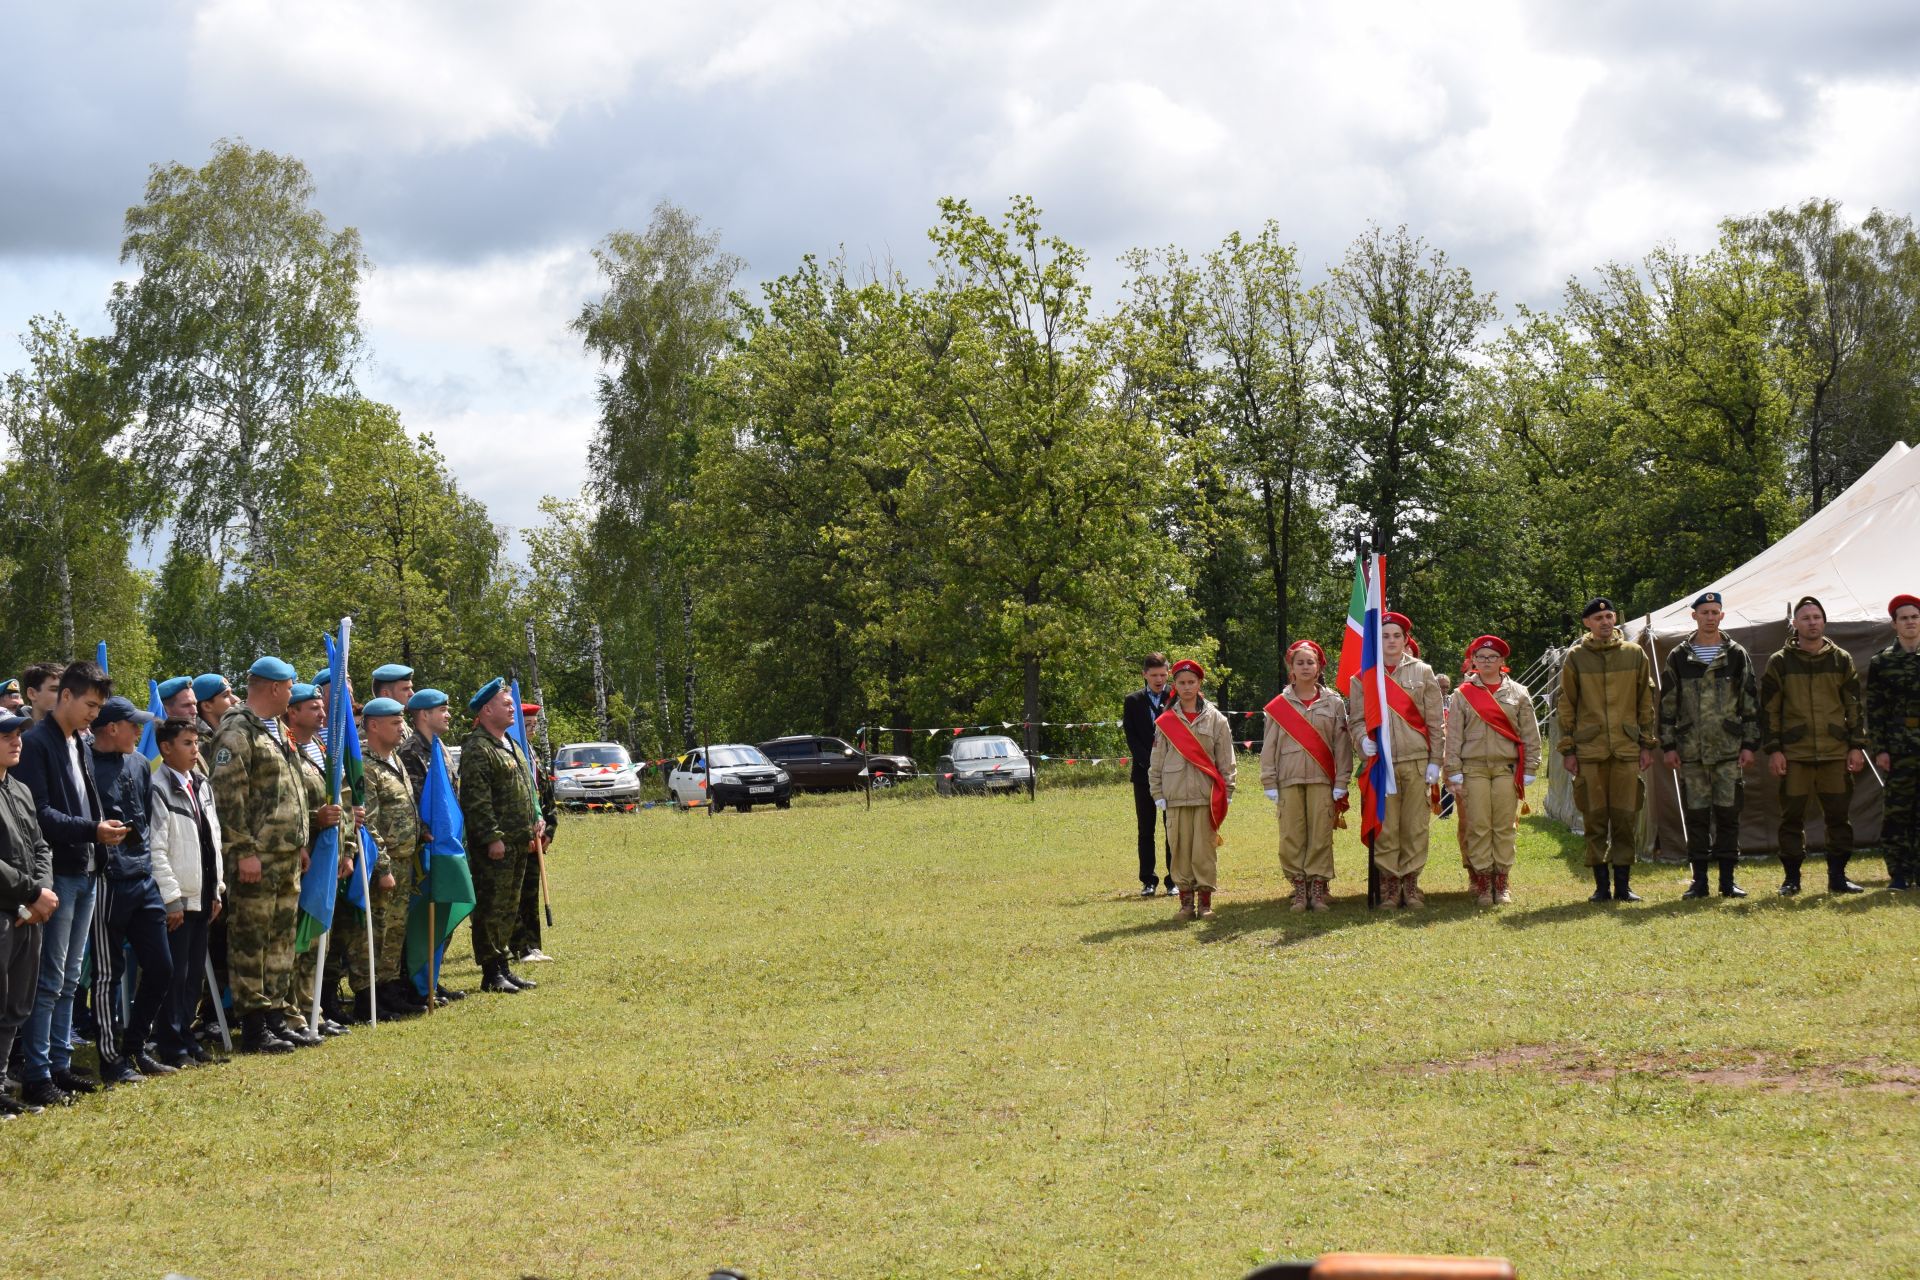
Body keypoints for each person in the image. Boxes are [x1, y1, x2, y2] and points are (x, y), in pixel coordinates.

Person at [14, 661, 126, 1106]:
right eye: (90, 705)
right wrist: (92, 830)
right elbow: (39, 814)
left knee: (69, 979)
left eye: (99, 707)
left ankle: (59, 1062)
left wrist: (100, 838)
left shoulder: (77, 742)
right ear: (65, 696)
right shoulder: (37, 744)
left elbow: (87, 801)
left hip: (86, 869)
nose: (94, 716)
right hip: (57, 872)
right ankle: (37, 1072)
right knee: (50, 977)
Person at [209, 656, 309, 1054]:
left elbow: (289, 789)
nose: (291, 693)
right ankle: (253, 1024)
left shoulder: (276, 730)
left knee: (280, 939)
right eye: (289, 687)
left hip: (284, 853)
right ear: (273, 688)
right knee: (251, 939)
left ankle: (274, 1016)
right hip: (257, 857)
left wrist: (300, 841)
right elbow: (227, 796)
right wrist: (243, 850)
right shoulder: (237, 730)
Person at [88, 695, 177, 1082]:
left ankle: (136, 1047)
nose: (141, 732)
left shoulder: (139, 764)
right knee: (108, 974)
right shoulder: (84, 766)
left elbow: (143, 818)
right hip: (108, 882)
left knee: (161, 967)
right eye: (134, 725)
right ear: (112, 728)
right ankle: (112, 1061)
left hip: (143, 878)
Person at [1762, 597, 1868, 894]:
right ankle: (1792, 879)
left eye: (1817, 617)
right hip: (1795, 753)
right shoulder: (1780, 662)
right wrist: (1774, 749)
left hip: (1835, 751)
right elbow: (1769, 709)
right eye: (1806, 617)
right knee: (1791, 818)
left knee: (1838, 817)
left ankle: (1838, 877)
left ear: (1824, 621)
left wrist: (1856, 745)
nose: (1812, 622)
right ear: (1795, 624)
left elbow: (1854, 705)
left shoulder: (1840, 659)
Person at [1658, 592, 1760, 899]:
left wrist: (1750, 744)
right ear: (1694, 617)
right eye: (1705, 612)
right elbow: (1667, 705)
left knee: (1729, 816)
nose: (1710, 617)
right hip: (1691, 752)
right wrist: (1668, 746)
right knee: (1697, 817)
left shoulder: (1736, 654)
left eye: (1715, 612)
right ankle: (1699, 881)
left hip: (1729, 751)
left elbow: (1750, 702)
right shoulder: (1679, 656)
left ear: (1722, 616)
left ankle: (1727, 881)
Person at [1557, 597, 1657, 903]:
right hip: (1590, 749)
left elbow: (1645, 701)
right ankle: (1601, 886)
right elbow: (1566, 705)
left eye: (1609, 616)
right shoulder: (1576, 657)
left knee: (1626, 817)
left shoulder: (1634, 654)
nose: (1605, 622)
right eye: (1598, 618)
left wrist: (1646, 743)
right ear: (1587, 623)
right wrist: (1568, 749)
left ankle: (1624, 886)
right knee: (1594, 818)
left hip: (1626, 748)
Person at [1346, 611, 1445, 908]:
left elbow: (1435, 720)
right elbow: (1356, 720)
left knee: (1415, 825)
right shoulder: (1363, 675)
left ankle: (1411, 884)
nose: (1391, 641)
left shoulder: (1423, 672)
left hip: (1416, 759)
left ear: (1405, 640)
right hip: (1382, 763)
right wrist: (1363, 740)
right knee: (1386, 826)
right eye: (1385, 636)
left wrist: (1435, 762)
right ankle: (1390, 885)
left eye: (1396, 636)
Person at [147, 718, 224, 1066]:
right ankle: (170, 1043)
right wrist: (170, 897)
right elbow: (157, 849)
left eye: (196, 743)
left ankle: (186, 1037)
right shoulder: (158, 786)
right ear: (166, 748)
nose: (196, 750)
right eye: (187, 743)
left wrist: (217, 889)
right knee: (175, 975)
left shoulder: (201, 784)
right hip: (179, 897)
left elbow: (213, 840)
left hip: (203, 892)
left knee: (193, 974)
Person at [460, 679, 544, 992]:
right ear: (486, 710)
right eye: (505, 703)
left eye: (510, 702)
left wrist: (536, 818)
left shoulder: (511, 743)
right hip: (496, 845)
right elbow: (476, 800)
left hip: (519, 840)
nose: (512, 707)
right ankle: (490, 971)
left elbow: (527, 787)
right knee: (491, 907)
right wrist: (491, 837)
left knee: (510, 906)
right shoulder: (478, 748)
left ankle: (504, 966)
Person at [1445, 636, 1542, 906]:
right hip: (1472, 768)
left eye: (1492, 657)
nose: (1487, 662)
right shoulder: (1462, 694)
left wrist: (1531, 766)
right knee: (1477, 825)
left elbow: (1530, 734)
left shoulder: (1519, 693)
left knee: (1504, 826)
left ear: (1502, 661)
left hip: (1505, 769)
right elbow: (1453, 736)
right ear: (1473, 661)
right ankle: (1483, 881)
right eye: (1481, 657)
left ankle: (1502, 881)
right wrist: (1452, 770)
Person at [1259, 640, 1352, 913]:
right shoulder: (1279, 705)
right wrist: (1269, 781)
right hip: (1288, 778)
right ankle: (1299, 887)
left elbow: (1342, 745)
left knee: (1321, 834)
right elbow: (1270, 745)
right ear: (1291, 667)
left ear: (1319, 666)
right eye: (1300, 662)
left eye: (1310, 662)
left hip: (1323, 779)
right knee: (1291, 835)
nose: (1305, 667)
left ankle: (1318, 889)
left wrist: (1342, 781)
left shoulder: (1333, 702)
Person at [0, 707, 57, 1117]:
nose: (16, 740)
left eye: (18, 733)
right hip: (7, 910)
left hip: (26, 912)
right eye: (6, 735)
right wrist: (33, 891)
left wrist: (43, 891)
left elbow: (40, 846)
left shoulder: (18, 788)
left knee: (16, 1004)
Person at [1146, 659, 1236, 920]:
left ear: (1199, 684)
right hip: (1174, 796)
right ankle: (1186, 903)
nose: (1187, 687)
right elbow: (1157, 761)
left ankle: (1205, 902)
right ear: (1175, 685)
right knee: (1180, 848)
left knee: (1204, 850)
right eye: (1182, 683)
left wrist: (1228, 791)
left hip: (1206, 795)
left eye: (1191, 682)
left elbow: (1226, 759)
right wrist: (1157, 793)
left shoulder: (1216, 719)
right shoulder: (1166, 722)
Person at [282, 683, 348, 1038]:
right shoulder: (287, 749)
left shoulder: (323, 748)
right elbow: (286, 805)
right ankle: (294, 1013)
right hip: (303, 854)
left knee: (316, 936)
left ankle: (313, 1010)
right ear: (292, 712)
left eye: (322, 708)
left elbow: (343, 801)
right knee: (298, 939)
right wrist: (314, 818)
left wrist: (347, 849)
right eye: (313, 708)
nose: (323, 714)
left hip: (326, 853)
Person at [360, 697, 427, 1017]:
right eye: (395, 721)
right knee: (376, 931)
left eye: (402, 720)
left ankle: (389, 990)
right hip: (382, 865)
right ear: (374, 725)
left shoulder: (395, 759)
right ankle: (370, 997)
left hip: (405, 859)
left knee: (395, 930)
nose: (403, 726)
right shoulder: (365, 764)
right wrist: (382, 866)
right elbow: (368, 823)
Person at [401, 689, 463, 1005]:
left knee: (443, 914)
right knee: (424, 917)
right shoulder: (411, 752)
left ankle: (433, 980)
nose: (448, 714)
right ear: (424, 715)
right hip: (425, 848)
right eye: (443, 709)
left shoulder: (442, 750)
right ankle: (418, 985)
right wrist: (428, 832)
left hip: (445, 846)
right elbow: (413, 802)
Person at [1867, 594, 1920, 892]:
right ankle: (1899, 873)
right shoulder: (1883, 662)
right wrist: (1881, 749)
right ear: (1894, 625)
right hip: (1899, 749)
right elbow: (1875, 710)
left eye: (1914, 616)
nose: (1910, 622)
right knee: (1898, 812)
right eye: (1904, 618)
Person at [1121, 654, 1175, 896]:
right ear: (1144, 674)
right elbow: (1131, 736)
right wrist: (1149, 763)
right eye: (1154, 675)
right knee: (1146, 829)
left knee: (1172, 827)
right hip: (1143, 774)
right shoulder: (1132, 701)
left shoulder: (1175, 697)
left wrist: (1166, 764)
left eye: (1163, 675)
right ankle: (1148, 880)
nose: (1159, 680)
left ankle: (1173, 879)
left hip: (1173, 773)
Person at [513, 701, 555, 964]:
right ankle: (519, 946)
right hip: (520, 836)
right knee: (518, 895)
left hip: (539, 835)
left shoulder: (534, 754)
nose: (532, 729)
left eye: (534, 724)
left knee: (531, 893)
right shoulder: (516, 753)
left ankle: (533, 944)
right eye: (527, 725)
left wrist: (550, 828)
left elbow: (546, 796)